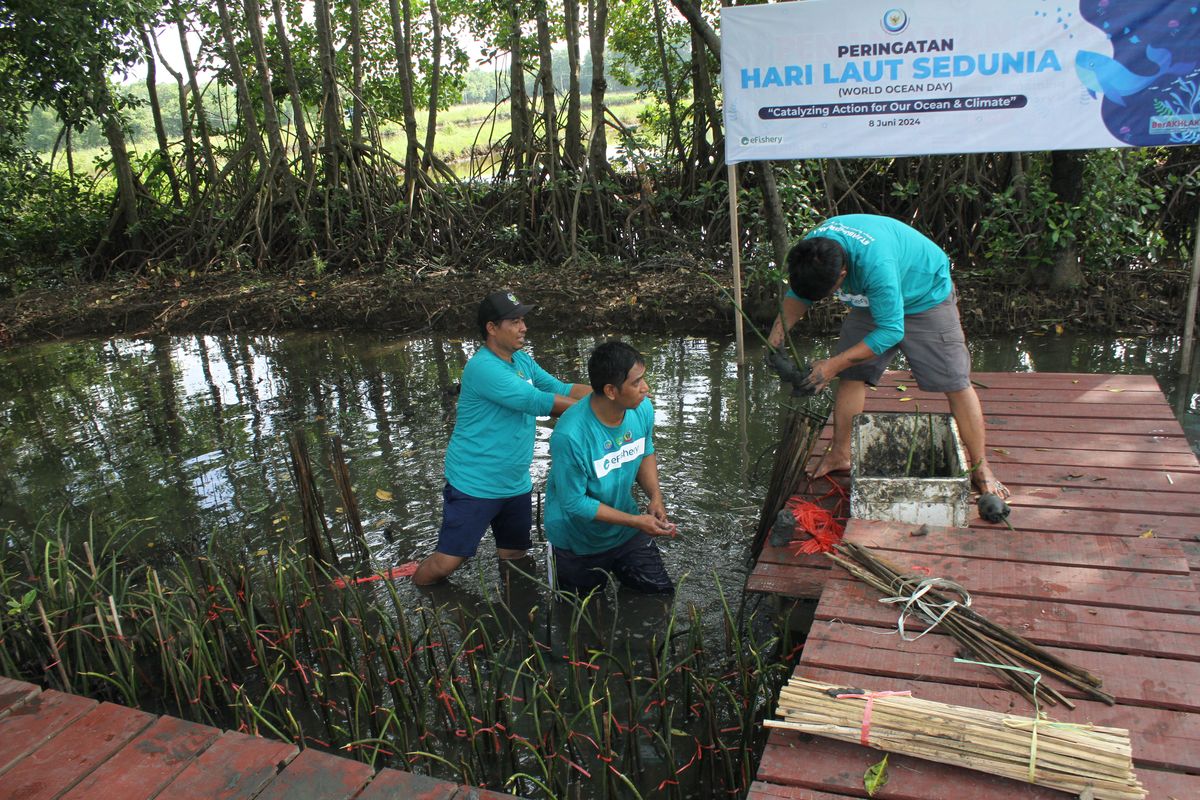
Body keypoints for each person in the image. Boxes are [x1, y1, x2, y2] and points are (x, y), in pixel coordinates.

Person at [767, 214, 1009, 499]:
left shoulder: (875, 265)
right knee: (852, 375)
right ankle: (841, 454)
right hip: (872, 299)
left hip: (924, 295)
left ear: (842, 276)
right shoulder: (811, 252)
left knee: (955, 381)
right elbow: (799, 295)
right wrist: (775, 340)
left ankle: (981, 467)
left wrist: (831, 365)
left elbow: (891, 331)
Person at [413, 290, 592, 586]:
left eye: (523, 320)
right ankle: (422, 599)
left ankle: (517, 616)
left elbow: (561, 387)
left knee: (514, 555)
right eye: (514, 321)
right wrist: (604, 409)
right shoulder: (482, 367)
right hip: (475, 483)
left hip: (514, 483)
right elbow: (538, 401)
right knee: (447, 562)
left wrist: (609, 390)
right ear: (492, 328)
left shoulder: (521, 360)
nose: (524, 327)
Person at [543, 340, 676, 594]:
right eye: (636, 383)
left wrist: (655, 497)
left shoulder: (641, 408)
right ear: (611, 391)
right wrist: (637, 521)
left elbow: (645, 449)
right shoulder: (571, 435)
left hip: (625, 530)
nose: (645, 388)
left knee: (659, 597)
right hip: (576, 542)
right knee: (580, 618)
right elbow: (574, 502)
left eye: (643, 379)